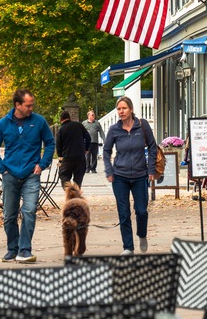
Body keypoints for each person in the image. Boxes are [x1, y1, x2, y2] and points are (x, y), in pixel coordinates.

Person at [0, 89, 55, 263]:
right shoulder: (3, 124)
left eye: (32, 104)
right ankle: (13, 248)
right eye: (28, 105)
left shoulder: (39, 122)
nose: (31, 108)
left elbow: (50, 143)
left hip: (31, 174)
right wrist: (1, 168)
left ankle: (25, 250)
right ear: (17, 105)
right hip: (9, 174)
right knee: (9, 215)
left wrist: (42, 164)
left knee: (29, 210)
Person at [103, 96, 157, 256]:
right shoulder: (114, 129)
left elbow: (153, 147)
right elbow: (106, 151)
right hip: (120, 176)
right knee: (124, 213)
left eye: (124, 108)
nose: (121, 111)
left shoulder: (142, 125)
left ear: (131, 109)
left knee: (141, 211)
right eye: (119, 109)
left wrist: (151, 169)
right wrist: (109, 170)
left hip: (140, 175)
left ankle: (142, 235)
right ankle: (128, 247)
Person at [56, 111, 91, 187]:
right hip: (80, 157)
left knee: (64, 176)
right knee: (78, 180)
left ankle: (69, 192)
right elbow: (88, 137)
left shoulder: (61, 130)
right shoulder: (79, 125)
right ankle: (76, 193)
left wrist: (60, 157)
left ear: (61, 119)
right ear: (70, 118)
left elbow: (58, 145)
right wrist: (86, 148)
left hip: (67, 158)